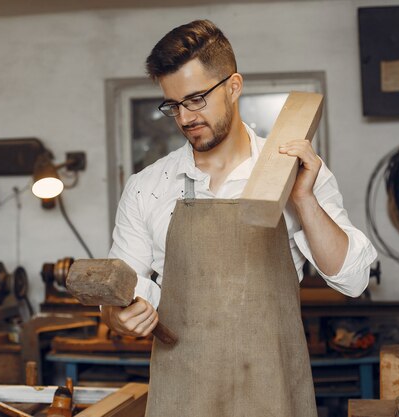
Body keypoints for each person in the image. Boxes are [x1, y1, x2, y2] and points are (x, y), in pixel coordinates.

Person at [104, 19, 377, 417]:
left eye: (196, 99)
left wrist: (304, 199)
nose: (184, 118)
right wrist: (120, 317)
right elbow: (117, 297)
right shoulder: (148, 186)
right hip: (184, 393)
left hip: (273, 390)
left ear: (233, 86)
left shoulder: (289, 170)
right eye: (173, 105)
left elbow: (353, 280)